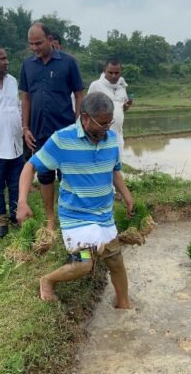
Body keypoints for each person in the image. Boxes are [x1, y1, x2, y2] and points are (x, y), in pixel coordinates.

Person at [16, 92, 134, 309]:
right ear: (85, 117)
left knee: (116, 260)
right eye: (102, 123)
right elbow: (30, 166)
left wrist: (127, 197)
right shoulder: (62, 139)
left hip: (104, 215)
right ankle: (48, 280)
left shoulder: (111, 139)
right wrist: (22, 202)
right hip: (76, 217)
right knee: (84, 264)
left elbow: (114, 171)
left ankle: (124, 306)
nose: (106, 128)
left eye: (110, 123)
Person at [19, 22, 84, 231]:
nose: (34, 48)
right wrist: (25, 128)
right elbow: (26, 98)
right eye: (31, 44)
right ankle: (50, 219)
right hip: (39, 131)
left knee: (67, 175)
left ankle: (69, 216)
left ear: (49, 39)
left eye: (38, 43)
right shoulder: (27, 65)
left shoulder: (68, 62)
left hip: (65, 130)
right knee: (45, 176)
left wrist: (78, 124)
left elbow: (79, 94)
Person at [0, 45, 24, 238]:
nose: (7, 62)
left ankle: (16, 216)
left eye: (6, 58)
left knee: (16, 183)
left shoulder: (12, 81)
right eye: (2, 59)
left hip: (15, 145)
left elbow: (18, 107)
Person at [87, 58, 133, 156]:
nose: (113, 76)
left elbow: (121, 108)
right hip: (101, 136)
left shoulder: (122, 86)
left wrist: (125, 107)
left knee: (117, 162)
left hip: (118, 135)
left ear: (120, 72)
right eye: (110, 72)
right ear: (104, 71)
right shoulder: (96, 86)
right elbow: (86, 109)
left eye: (117, 73)